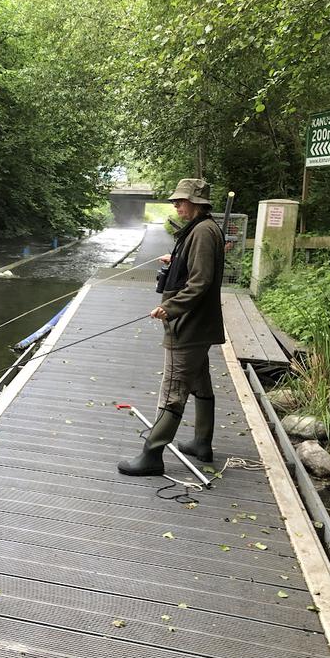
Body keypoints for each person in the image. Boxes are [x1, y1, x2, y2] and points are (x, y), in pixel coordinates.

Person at [117, 178, 226, 476]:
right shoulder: (203, 228)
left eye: (180, 200)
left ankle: (152, 455)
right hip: (199, 325)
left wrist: (170, 308)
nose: (176, 204)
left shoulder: (203, 231)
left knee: (173, 390)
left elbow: (200, 281)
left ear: (197, 202)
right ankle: (202, 443)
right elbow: (196, 268)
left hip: (189, 326)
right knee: (200, 382)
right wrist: (175, 258)